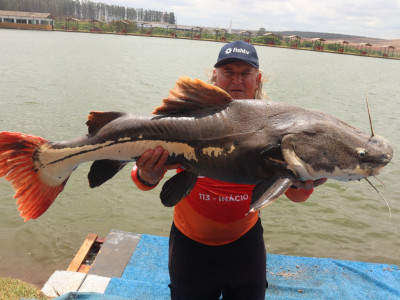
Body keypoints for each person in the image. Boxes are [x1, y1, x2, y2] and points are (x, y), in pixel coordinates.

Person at [131, 40, 327, 300]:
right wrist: (148, 174)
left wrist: (307, 182)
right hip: (190, 245)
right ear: (215, 76)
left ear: (257, 79)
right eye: (229, 72)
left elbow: (297, 195)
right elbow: (142, 180)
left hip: (245, 245)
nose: (237, 80)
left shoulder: (277, 129)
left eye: (245, 73)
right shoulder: (189, 119)